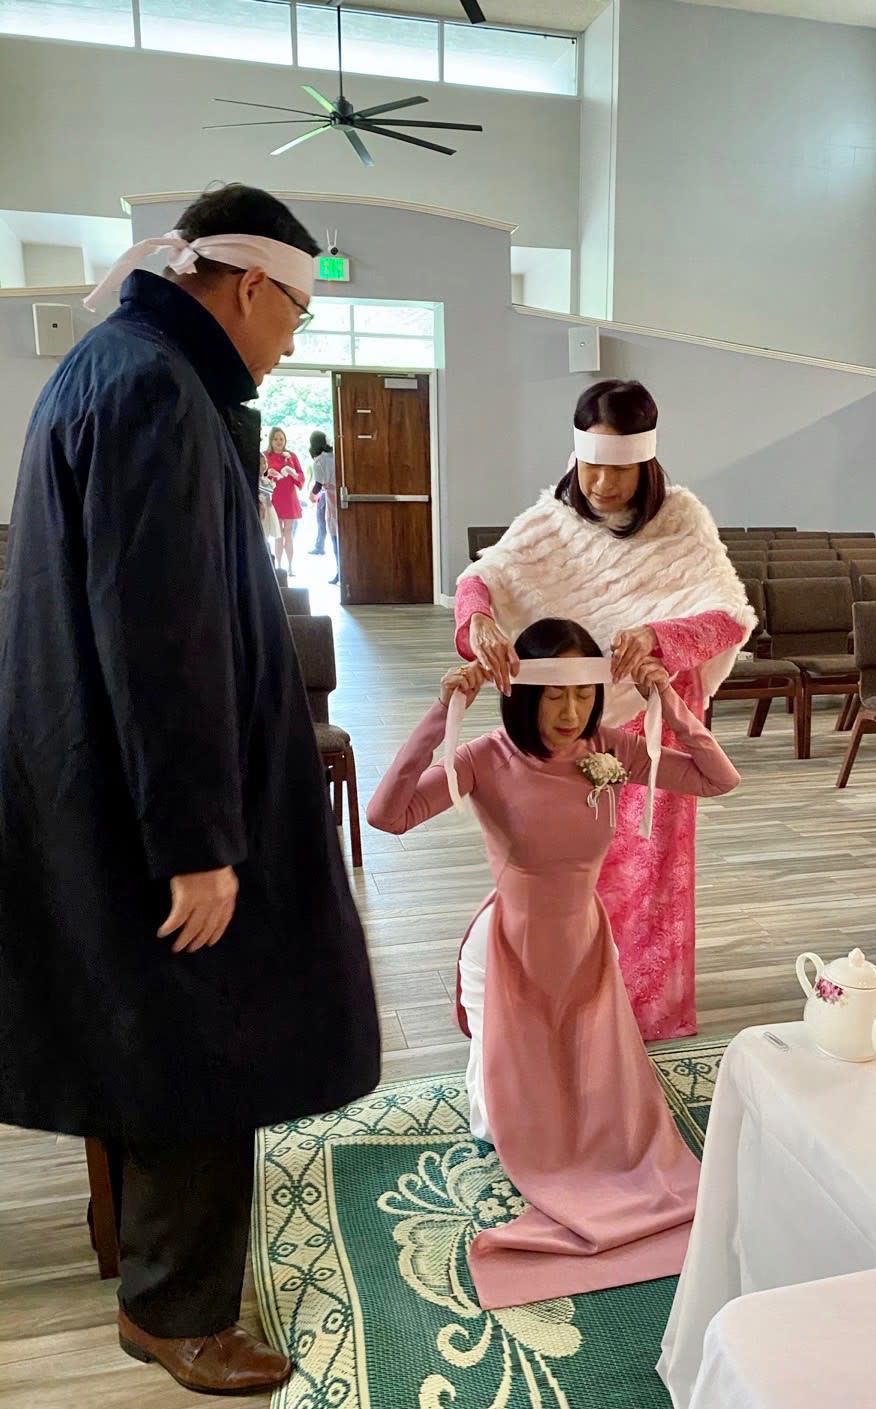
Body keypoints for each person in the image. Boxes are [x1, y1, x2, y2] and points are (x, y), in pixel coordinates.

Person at [0, 184, 380, 1397]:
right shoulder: (155, 392)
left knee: (156, 1032)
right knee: (204, 1042)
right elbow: (162, 640)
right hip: (156, 806)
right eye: (297, 316)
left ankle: (161, 1278)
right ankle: (178, 1309)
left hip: (104, 787)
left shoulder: (117, 365)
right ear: (249, 286)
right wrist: (198, 840)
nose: (291, 340)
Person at [368, 618, 740, 1309]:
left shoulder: (608, 748)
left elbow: (718, 779)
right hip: (508, 944)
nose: (570, 714)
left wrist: (668, 697)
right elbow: (387, 814)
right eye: (553, 696)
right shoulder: (485, 756)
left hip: (584, 939)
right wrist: (441, 711)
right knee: (506, 1124)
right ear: (522, 695)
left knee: (603, 1106)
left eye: (582, 695)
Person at [453, 380, 756, 1041]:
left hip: (646, 720)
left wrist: (659, 636)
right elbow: (484, 579)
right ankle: (561, 1004)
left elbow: (728, 616)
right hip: (567, 721)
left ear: (645, 463)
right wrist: (476, 620)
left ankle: (641, 1009)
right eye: (591, 463)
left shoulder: (682, 522)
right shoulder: (550, 522)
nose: (600, 482)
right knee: (564, 862)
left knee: (646, 868)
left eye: (618, 468)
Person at [264, 426, 304, 574]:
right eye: (275, 439)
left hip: (289, 496)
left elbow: (300, 476)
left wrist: (292, 472)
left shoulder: (291, 456)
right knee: (277, 533)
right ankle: (278, 565)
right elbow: (260, 474)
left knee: (288, 532)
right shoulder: (265, 455)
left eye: (281, 439)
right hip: (273, 497)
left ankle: (291, 565)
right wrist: (271, 474)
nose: (279, 442)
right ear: (271, 440)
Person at [308, 429, 338, 584]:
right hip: (339, 495)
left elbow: (319, 484)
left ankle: (340, 571)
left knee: (334, 534)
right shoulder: (336, 455)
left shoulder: (318, 461)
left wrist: (312, 495)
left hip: (331, 499)